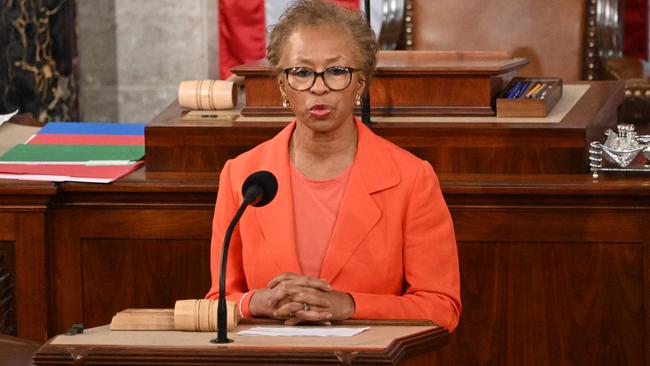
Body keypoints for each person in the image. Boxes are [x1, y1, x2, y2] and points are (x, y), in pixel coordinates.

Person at [206, 0, 461, 331]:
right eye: (301, 72)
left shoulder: (411, 178)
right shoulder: (241, 175)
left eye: (337, 71)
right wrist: (256, 303)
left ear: (361, 83)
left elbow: (442, 307)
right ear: (282, 85)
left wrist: (351, 305)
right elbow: (217, 301)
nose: (318, 86)